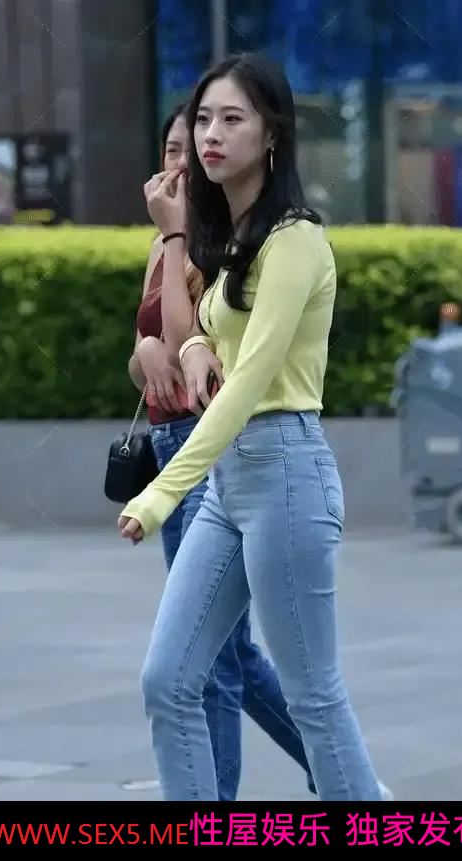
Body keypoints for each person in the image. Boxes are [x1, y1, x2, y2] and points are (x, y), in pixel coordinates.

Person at [120, 52, 383, 801]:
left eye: (231, 119)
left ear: (272, 134)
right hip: (228, 484)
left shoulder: (295, 240)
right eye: (203, 118)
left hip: (284, 473)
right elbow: (208, 332)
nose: (210, 134)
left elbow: (247, 387)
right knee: (168, 680)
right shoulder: (233, 236)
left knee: (313, 696)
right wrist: (194, 348)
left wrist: (160, 493)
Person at [128, 102, 317, 801]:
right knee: (221, 651)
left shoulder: (217, 241)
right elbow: (148, 354)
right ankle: (337, 770)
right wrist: (145, 354)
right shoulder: (164, 242)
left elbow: (193, 344)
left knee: (209, 661)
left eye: (195, 146)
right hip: (168, 436)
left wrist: (176, 238)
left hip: (210, 449)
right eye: (172, 148)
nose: (182, 162)